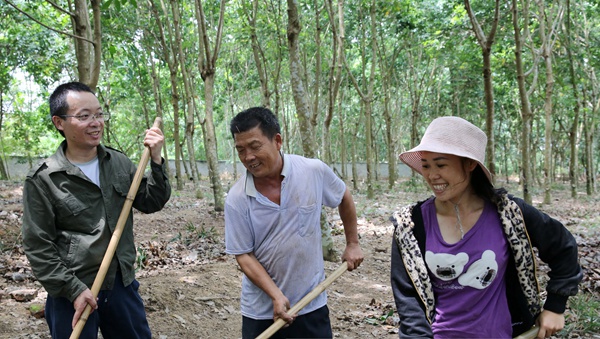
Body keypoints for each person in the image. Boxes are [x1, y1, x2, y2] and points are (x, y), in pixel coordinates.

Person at [390, 116, 582, 339]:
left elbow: (563, 248)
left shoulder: (509, 214)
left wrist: (555, 305)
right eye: (426, 166)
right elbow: (408, 299)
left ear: (470, 164)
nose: (432, 176)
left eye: (441, 165)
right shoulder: (410, 226)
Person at [22, 81, 171, 339]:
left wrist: (156, 160)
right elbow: (38, 246)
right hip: (72, 291)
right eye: (84, 116)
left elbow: (151, 201)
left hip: (121, 284)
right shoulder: (44, 179)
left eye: (99, 114)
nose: (96, 122)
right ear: (59, 123)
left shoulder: (118, 162)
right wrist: (73, 289)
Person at [225, 107, 364, 339]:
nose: (248, 156)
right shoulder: (237, 198)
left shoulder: (312, 171)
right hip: (262, 313)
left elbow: (343, 197)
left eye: (255, 146)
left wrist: (352, 243)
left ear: (277, 140)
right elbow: (244, 256)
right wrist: (275, 295)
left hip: (311, 304)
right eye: (241, 150)